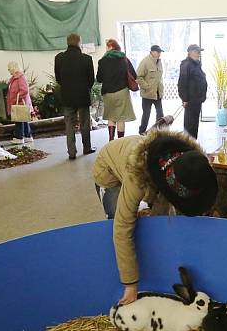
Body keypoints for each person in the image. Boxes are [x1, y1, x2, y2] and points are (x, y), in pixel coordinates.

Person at [92, 128, 218, 305]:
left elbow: (168, 205)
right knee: (118, 218)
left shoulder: (188, 163)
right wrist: (131, 284)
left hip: (156, 174)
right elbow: (122, 228)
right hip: (109, 170)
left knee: (159, 218)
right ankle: (123, 273)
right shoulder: (137, 178)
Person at [55, 33, 96, 159]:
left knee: (69, 124)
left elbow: (58, 78)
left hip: (67, 97)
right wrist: (84, 88)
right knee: (84, 123)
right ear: (79, 42)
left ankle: (71, 153)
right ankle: (87, 148)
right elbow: (91, 80)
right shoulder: (86, 59)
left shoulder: (59, 58)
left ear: (67, 43)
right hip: (83, 96)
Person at [96, 38, 137, 141]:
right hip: (122, 92)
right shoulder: (124, 59)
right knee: (121, 118)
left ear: (110, 47)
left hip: (108, 93)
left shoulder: (102, 61)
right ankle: (120, 141)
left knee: (111, 117)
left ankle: (111, 140)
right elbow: (134, 75)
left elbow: (99, 79)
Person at [177, 44, 208, 138]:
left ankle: (193, 143)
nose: (198, 54)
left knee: (195, 123)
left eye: (199, 52)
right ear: (190, 52)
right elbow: (182, 83)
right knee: (190, 124)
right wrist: (184, 99)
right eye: (196, 51)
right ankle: (188, 145)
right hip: (190, 99)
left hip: (197, 99)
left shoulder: (196, 64)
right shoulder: (186, 64)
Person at [136, 45, 165, 135]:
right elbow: (138, 77)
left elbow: (159, 78)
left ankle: (158, 131)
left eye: (160, 52)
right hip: (147, 94)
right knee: (146, 115)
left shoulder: (159, 62)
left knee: (160, 114)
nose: (159, 54)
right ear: (152, 52)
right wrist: (146, 87)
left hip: (157, 93)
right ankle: (142, 131)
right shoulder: (145, 62)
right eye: (158, 52)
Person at [6, 61, 34, 145]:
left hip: (20, 103)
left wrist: (16, 98)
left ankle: (19, 137)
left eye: (9, 69)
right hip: (18, 102)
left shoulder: (20, 77)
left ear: (13, 68)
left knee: (18, 120)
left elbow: (24, 90)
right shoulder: (14, 78)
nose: (8, 71)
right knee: (23, 119)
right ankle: (28, 136)